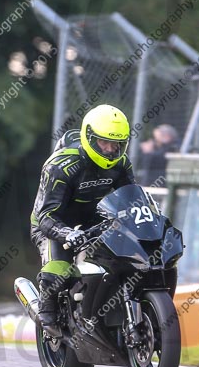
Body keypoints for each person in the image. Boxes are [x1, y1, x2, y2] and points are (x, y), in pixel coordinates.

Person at [30, 104, 135, 336]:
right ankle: (46, 314)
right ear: (89, 137)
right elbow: (46, 215)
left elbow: (131, 200)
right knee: (59, 270)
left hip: (92, 217)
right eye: (103, 142)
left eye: (116, 144)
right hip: (52, 222)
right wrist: (67, 233)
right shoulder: (62, 165)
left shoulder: (122, 164)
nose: (110, 150)